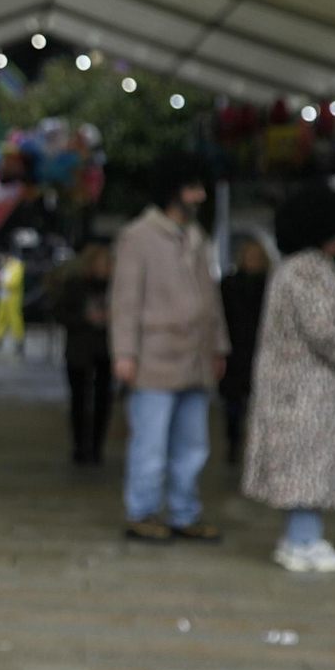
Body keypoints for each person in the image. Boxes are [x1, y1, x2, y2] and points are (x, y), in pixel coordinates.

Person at [242, 185, 335, 572]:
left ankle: (300, 536)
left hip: (302, 388)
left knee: (305, 464)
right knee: (305, 465)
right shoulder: (306, 270)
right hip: (305, 390)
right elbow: (320, 328)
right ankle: (302, 541)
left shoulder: (297, 267)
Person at [110, 157, 229, 543]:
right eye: (193, 187)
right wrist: (124, 353)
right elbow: (125, 300)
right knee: (151, 442)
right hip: (154, 357)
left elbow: (211, 299)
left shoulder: (196, 236)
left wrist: (218, 346)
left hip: (195, 358)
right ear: (173, 190)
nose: (201, 195)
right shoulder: (138, 236)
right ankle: (142, 511)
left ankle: (184, 512)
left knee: (193, 444)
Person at [55, 242, 113, 465]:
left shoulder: (113, 287)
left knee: (102, 400)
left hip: (104, 352)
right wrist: (86, 320)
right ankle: (80, 446)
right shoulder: (75, 285)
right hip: (80, 351)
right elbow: (61, 313)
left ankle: (96, 446)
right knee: (79, 400)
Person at [219, 238, 270, 464]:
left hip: (261, 350)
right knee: (233, 403)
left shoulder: (270, 284)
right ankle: (234, 441)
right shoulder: (230, 284)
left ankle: (258, 445)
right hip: (235, 351)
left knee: (261, 403)